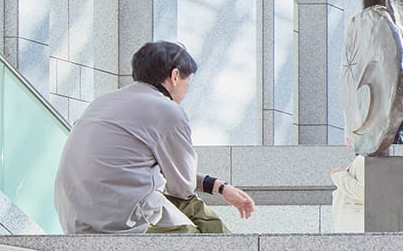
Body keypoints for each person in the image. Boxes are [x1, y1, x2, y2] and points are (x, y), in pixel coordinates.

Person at [53, 41, 255, 233]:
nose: (187, 90)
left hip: (73, 219)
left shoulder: (101, 102)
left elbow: (135, 168)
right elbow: (182, 188)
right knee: (202, 225)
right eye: (188, 80)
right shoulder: (167, 111)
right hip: (121, 221)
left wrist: (219, 187)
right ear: (175, 76)